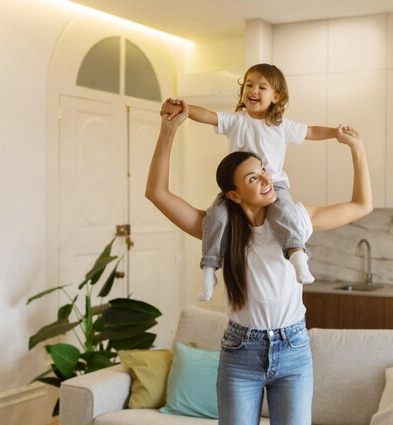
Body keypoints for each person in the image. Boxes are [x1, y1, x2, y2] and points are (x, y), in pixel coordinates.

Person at [146, 100, 372, 425]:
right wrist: (168, 131)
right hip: (241, 353)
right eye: (253, 179)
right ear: (234, 195)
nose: (267, 180)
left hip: (293, 348)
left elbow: (361, 205)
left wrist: (357, 148)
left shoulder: (296, 219)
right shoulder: (220, 230)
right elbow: (157, 193)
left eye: (264, 170)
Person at [161, 63, 348, 302]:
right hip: (238, 186)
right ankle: (209, 269)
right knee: (215, 217)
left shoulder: (282, 126)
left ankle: (297, 255)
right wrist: (183, 108)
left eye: (262, 87)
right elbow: (207, 115)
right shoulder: (235, 121)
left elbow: (311, 131)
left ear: (276, 97)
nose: (253, 90)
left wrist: (336, 132)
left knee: (285, 211)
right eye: (249, 85)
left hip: (274, 184)